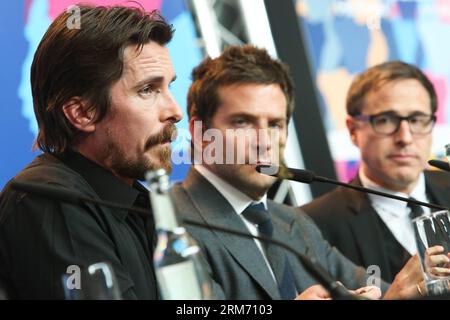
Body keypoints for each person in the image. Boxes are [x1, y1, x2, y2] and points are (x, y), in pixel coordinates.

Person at [170, 46, 424, 300]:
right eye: (242, 122)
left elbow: (378, 287)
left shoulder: (293, 221)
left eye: (274, 124)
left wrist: (411, 285)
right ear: (201, 133)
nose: (264, 141)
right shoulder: (168, 224)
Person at [0, 5, 182, 299]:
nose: (175, 111)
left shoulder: (141, 203)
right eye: (148, 90)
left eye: (169, 87)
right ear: (82, 112)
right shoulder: (49, 199)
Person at [301, 61, 450, 283]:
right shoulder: (311, 225)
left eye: (417, 120)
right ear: (353, 130)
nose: (405, 138)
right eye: (386, 120)